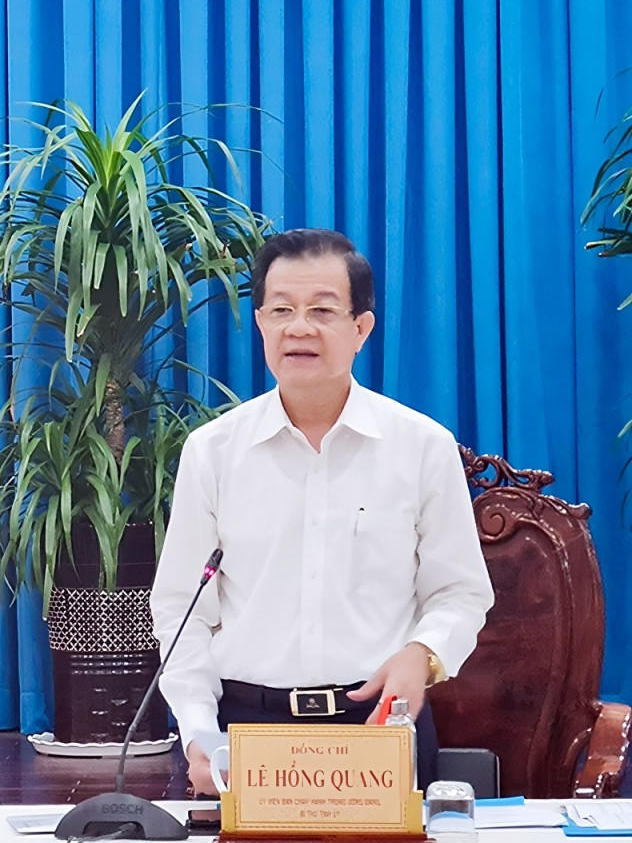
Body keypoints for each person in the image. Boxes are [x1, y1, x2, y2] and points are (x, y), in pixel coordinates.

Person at [151, 228, 493, 794]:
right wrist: (198, 731)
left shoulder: (421, 447)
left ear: (361, 328)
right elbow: (180, 610)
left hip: (378, 725)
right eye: (281, 310)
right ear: (260, 323)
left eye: (322, 311)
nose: (299, 328)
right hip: (247, 730)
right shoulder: (213, 452)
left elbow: (460, 592)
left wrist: (424, 654)